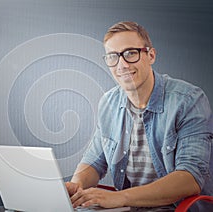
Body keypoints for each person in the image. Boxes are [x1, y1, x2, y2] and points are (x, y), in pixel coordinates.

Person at [66, 21, 213, 211]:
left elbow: (190, 178)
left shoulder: (189, 100)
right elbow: (94, 162)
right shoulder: (108, 103)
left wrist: (120, 197)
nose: (122, 64)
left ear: (151, 55)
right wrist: (75, 187)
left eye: (130, 53)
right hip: (127, 207)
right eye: (113, 57)